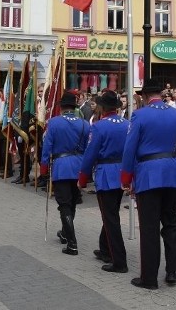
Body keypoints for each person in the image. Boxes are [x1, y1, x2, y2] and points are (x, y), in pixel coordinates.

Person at [121, 79, 176, 290]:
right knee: (171, 222)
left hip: (148, 173)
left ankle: (149, 278)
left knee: (149, 226)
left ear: (143, 96)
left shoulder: (139, 115)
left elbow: (130, 148)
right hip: (171, 171)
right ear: (160, 93)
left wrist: (126, 177)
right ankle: (171, 271)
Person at [78, 90, 129, 272]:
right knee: (111, 213)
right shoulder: (126, 124)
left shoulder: (99, 127)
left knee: (110, 218)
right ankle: (105, 248)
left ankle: (119, 260)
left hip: (106, 174)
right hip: (122, 173)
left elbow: (90, 154)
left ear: (102, 107)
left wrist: (83, 178)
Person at [43, 91, 90, 256]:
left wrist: (43, 166)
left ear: (62, 107)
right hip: (78, 166)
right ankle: (64, 233)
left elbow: (47, 146)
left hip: (61, 166)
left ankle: (72, 244)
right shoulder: (85, 124)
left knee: (64, 204)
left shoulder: (54, 122)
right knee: (72, 203)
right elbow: (86, 148)